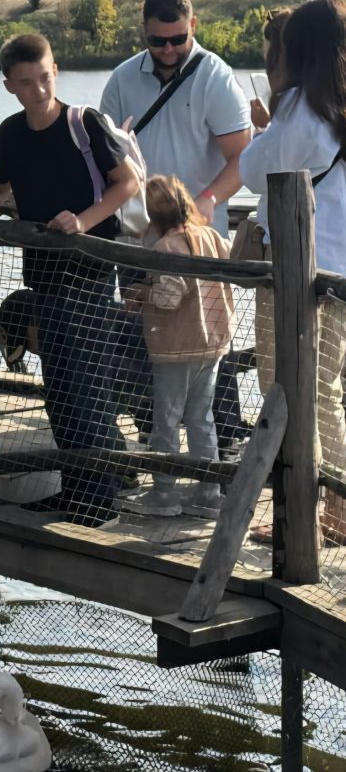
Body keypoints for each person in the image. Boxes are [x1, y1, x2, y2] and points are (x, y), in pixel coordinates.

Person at [0, 33, 140, 528]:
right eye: (26, 82)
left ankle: (101, 501)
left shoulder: (83, 123)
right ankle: (75, 489)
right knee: (60, 389)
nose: (39, 89)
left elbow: (128, 182)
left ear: (57, 70)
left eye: (45, 77)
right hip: (44, 275)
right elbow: (0, 186)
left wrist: (83, 222)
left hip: (90, 272)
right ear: (9, 85)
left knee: (87, 385)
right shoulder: (10, 133)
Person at [101, 0, 253, 454]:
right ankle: (152, 434)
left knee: (210, 340)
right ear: (143, 33)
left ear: (193, 27)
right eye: (157, 41)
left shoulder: (215, 77)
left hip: (198, 237)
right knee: (141, 330)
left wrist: (206, 201)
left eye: (177, 39)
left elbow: (243, 156)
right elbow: (104, 151)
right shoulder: (124, 78)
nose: (168, 49)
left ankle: (224, 440)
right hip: (139, 233)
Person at [235, 0, 346, 544]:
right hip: (340, 272)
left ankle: (306, 514)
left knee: (287, 389)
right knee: (326, 390)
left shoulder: (301, 107)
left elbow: (253, 171)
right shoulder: (341, 104)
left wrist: (267, 124)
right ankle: (334, 509)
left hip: (297, 271)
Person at [123, 175, 233, 520]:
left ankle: (164, 493)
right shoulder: (212, 237)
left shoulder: (166, 248)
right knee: (202, 418)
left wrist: (142, 294)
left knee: (166, 421)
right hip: (212, 340)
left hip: (174, 346)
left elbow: (169, 298)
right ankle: (209, 492)